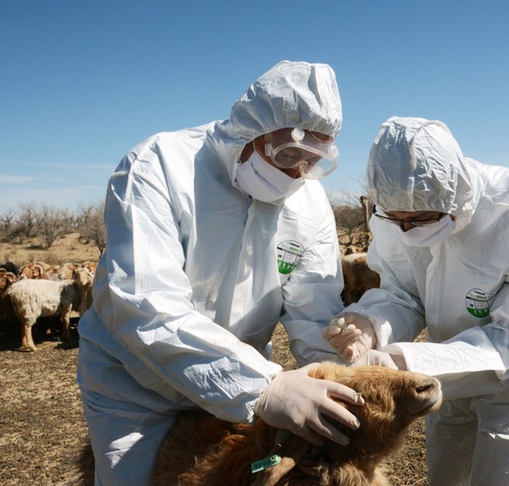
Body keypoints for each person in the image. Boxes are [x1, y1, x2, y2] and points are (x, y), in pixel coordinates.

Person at [76, 60, 365, 485]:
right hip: (136, 387)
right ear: (250, 131)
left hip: (241, 372)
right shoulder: (158, 166)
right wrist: (264, 387)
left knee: (241, 474)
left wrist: (341, 370)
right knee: (132, 478)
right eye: (287, 154)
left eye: (313, 160)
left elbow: (312, 307)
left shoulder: (309, 202)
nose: (297, 173)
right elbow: (145, 303)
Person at [322, 116, 509, 485]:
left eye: (419, 218)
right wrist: (371, 323)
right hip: (444, 359)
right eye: (397, 220)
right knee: (447, 471)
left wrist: (402, 359)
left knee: (503, 473)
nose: (407, 231)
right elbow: (405, 293)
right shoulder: (393, 214)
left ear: (454, 198)